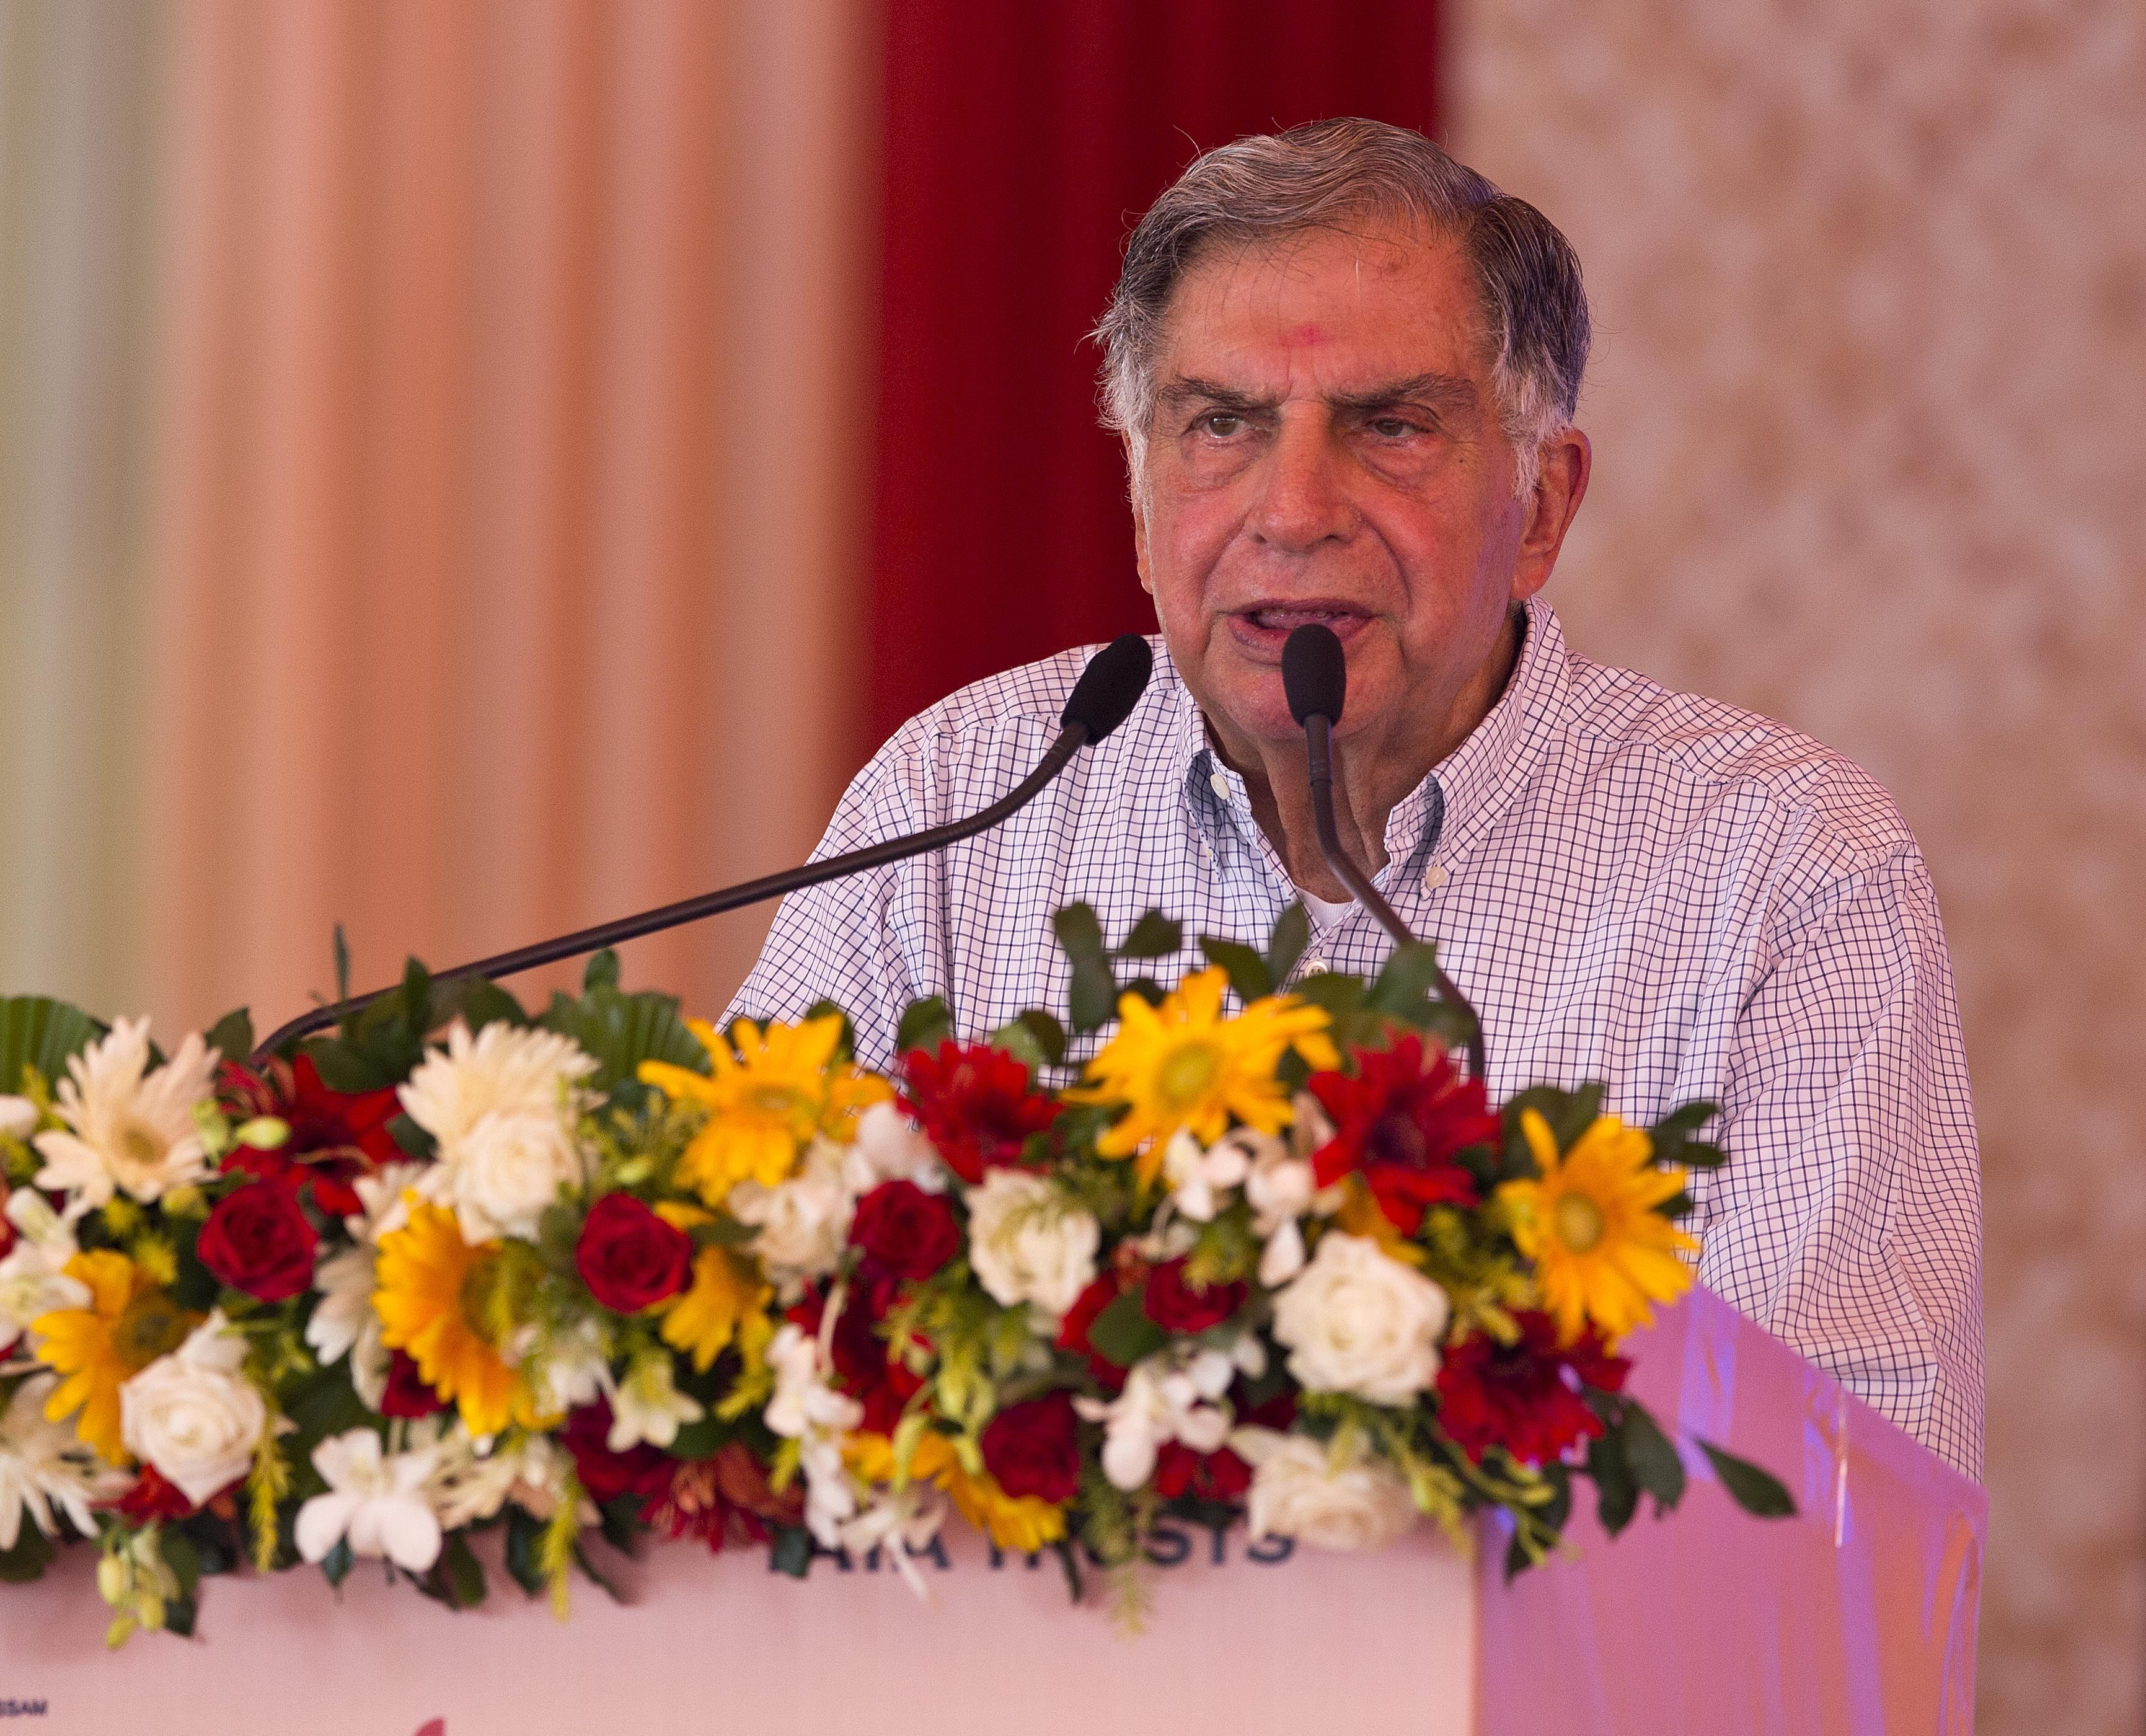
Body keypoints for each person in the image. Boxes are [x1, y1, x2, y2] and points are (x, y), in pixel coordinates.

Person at [727, 118, 1982, 1479]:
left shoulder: (1783, 870)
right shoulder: (959, 800)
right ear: (1142, 507)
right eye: (1221, 425)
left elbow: (1829, 1499)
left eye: (1389, 427)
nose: (1294, 507)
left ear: (1541, 502)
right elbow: (719, 1311)